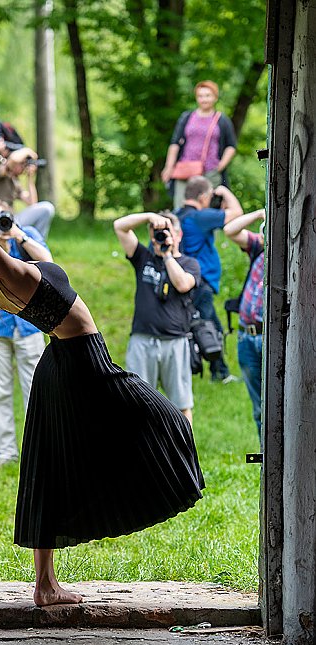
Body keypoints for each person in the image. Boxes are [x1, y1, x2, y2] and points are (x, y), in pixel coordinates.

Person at [0, 178, 204, 607]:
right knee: (171, 420)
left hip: (58, 363)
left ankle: (46, 584)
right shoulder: (11, 273)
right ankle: (106, 517)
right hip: (86, 362)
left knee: (48, 465)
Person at [0, 200, 50, 465]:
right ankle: (5, 452)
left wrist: (18, 236)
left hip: (30, 325)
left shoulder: (27, 235)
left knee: (37, 390)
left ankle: (42, 451)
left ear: (10, 216)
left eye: (0, 218)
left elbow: (48, 262)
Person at [113, 210, 201, 424]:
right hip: (143, 340)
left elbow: (182, 284)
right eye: (156, 233)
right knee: (136, 403)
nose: (160, 236)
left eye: (166, 231)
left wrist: (168, 255)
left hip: (175, 341)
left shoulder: (190, 264)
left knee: (181, 405)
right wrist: (149, 217)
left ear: (178, 235)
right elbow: (119, 226)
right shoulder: (143, 257)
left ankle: (184, 455)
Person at [175, 175, 243, 382]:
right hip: (200, 282)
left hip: (184, 279)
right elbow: (237, 213)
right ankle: (212, 372)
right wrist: (224, 192)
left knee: (206, 327)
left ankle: (217, 371)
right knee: (205, 328)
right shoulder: (200, 217)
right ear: (204, 196)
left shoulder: (178, 216)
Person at [224, 207, 267, 440]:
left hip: (268, 337)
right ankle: (265, 457)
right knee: (259, 407)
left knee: (274, 403)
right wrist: (261, 214)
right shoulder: (259, 248)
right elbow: (230, 230)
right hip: (246, 338)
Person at [161, 80, 238, 210]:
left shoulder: (222, 120)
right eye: (200, 96)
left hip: (210, 171)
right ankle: (179, 231)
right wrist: (169, 167)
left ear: (215, 97)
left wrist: (220, 166)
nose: (204, 99)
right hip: (186, 169)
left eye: (207, 95)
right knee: (181, 207)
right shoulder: (187, 117)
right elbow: (175, 144)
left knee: (207, 210)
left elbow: (231, 146)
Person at [0, 145, 56, 238]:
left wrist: (30, 179)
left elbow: (32, 203)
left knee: (47, 208)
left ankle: (38, 243)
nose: (24, 167)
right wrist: (29, 152)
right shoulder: (0, 171)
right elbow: (13, 159)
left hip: (11, 219)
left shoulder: (15, 182)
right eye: (22, 164)